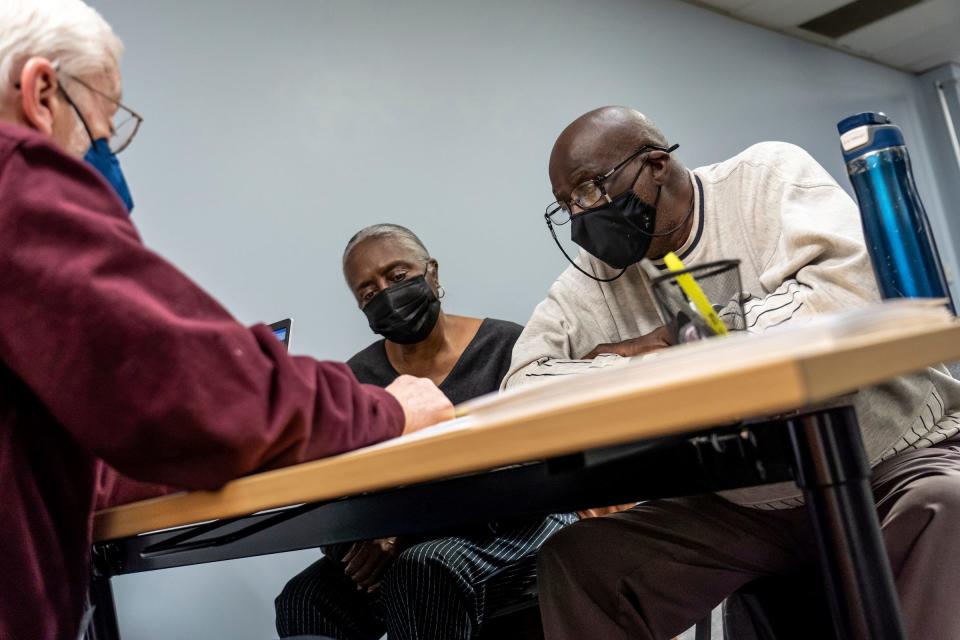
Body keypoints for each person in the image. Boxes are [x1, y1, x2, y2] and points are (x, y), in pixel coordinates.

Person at [0, 3, 453, 639]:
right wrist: (387, 411)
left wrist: (199, 450)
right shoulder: (12, 178)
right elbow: (195, 391)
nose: (104, 156)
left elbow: (95, 446)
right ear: (41, 92)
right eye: (99, 129)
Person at [504, 106, 960, 639]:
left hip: (891, 463)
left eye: (589, 189)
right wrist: (646, 356)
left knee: (947, 505)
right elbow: (523, 383)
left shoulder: (765, 178)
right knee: (581, 564)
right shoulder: (596, 278)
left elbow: (845, 295)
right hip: (745, 504)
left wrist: (682, 341)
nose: (581, 214)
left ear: (654, 164)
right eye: (566, 204)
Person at [275, 224, 575, 640]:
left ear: (432, 273)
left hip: (519, 525)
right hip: (403, 541)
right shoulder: (356, 379)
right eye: (368, 292)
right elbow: (333, 488)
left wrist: (404, 532)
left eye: (397, 277)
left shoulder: (508, 348)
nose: (385, 294)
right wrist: (358, 543)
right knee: (306, 597)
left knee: (423, 570)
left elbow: (535, 472)